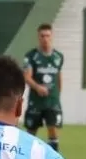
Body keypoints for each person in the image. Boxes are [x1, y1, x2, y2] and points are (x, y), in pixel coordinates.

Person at [22, 24, 64, 152]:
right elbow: (27, 77)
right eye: (42, 36)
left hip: (52, 101)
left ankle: (53, 158)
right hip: (36, 101)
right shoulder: (31, 56)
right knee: (31, 130)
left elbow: (59, 77)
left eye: (47, 35)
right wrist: (38, 87)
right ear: (38, 37)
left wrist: (57, 96)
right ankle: (27, 157)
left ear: (52, 36)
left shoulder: (58, 56)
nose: (45, 38)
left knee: (53, 129)